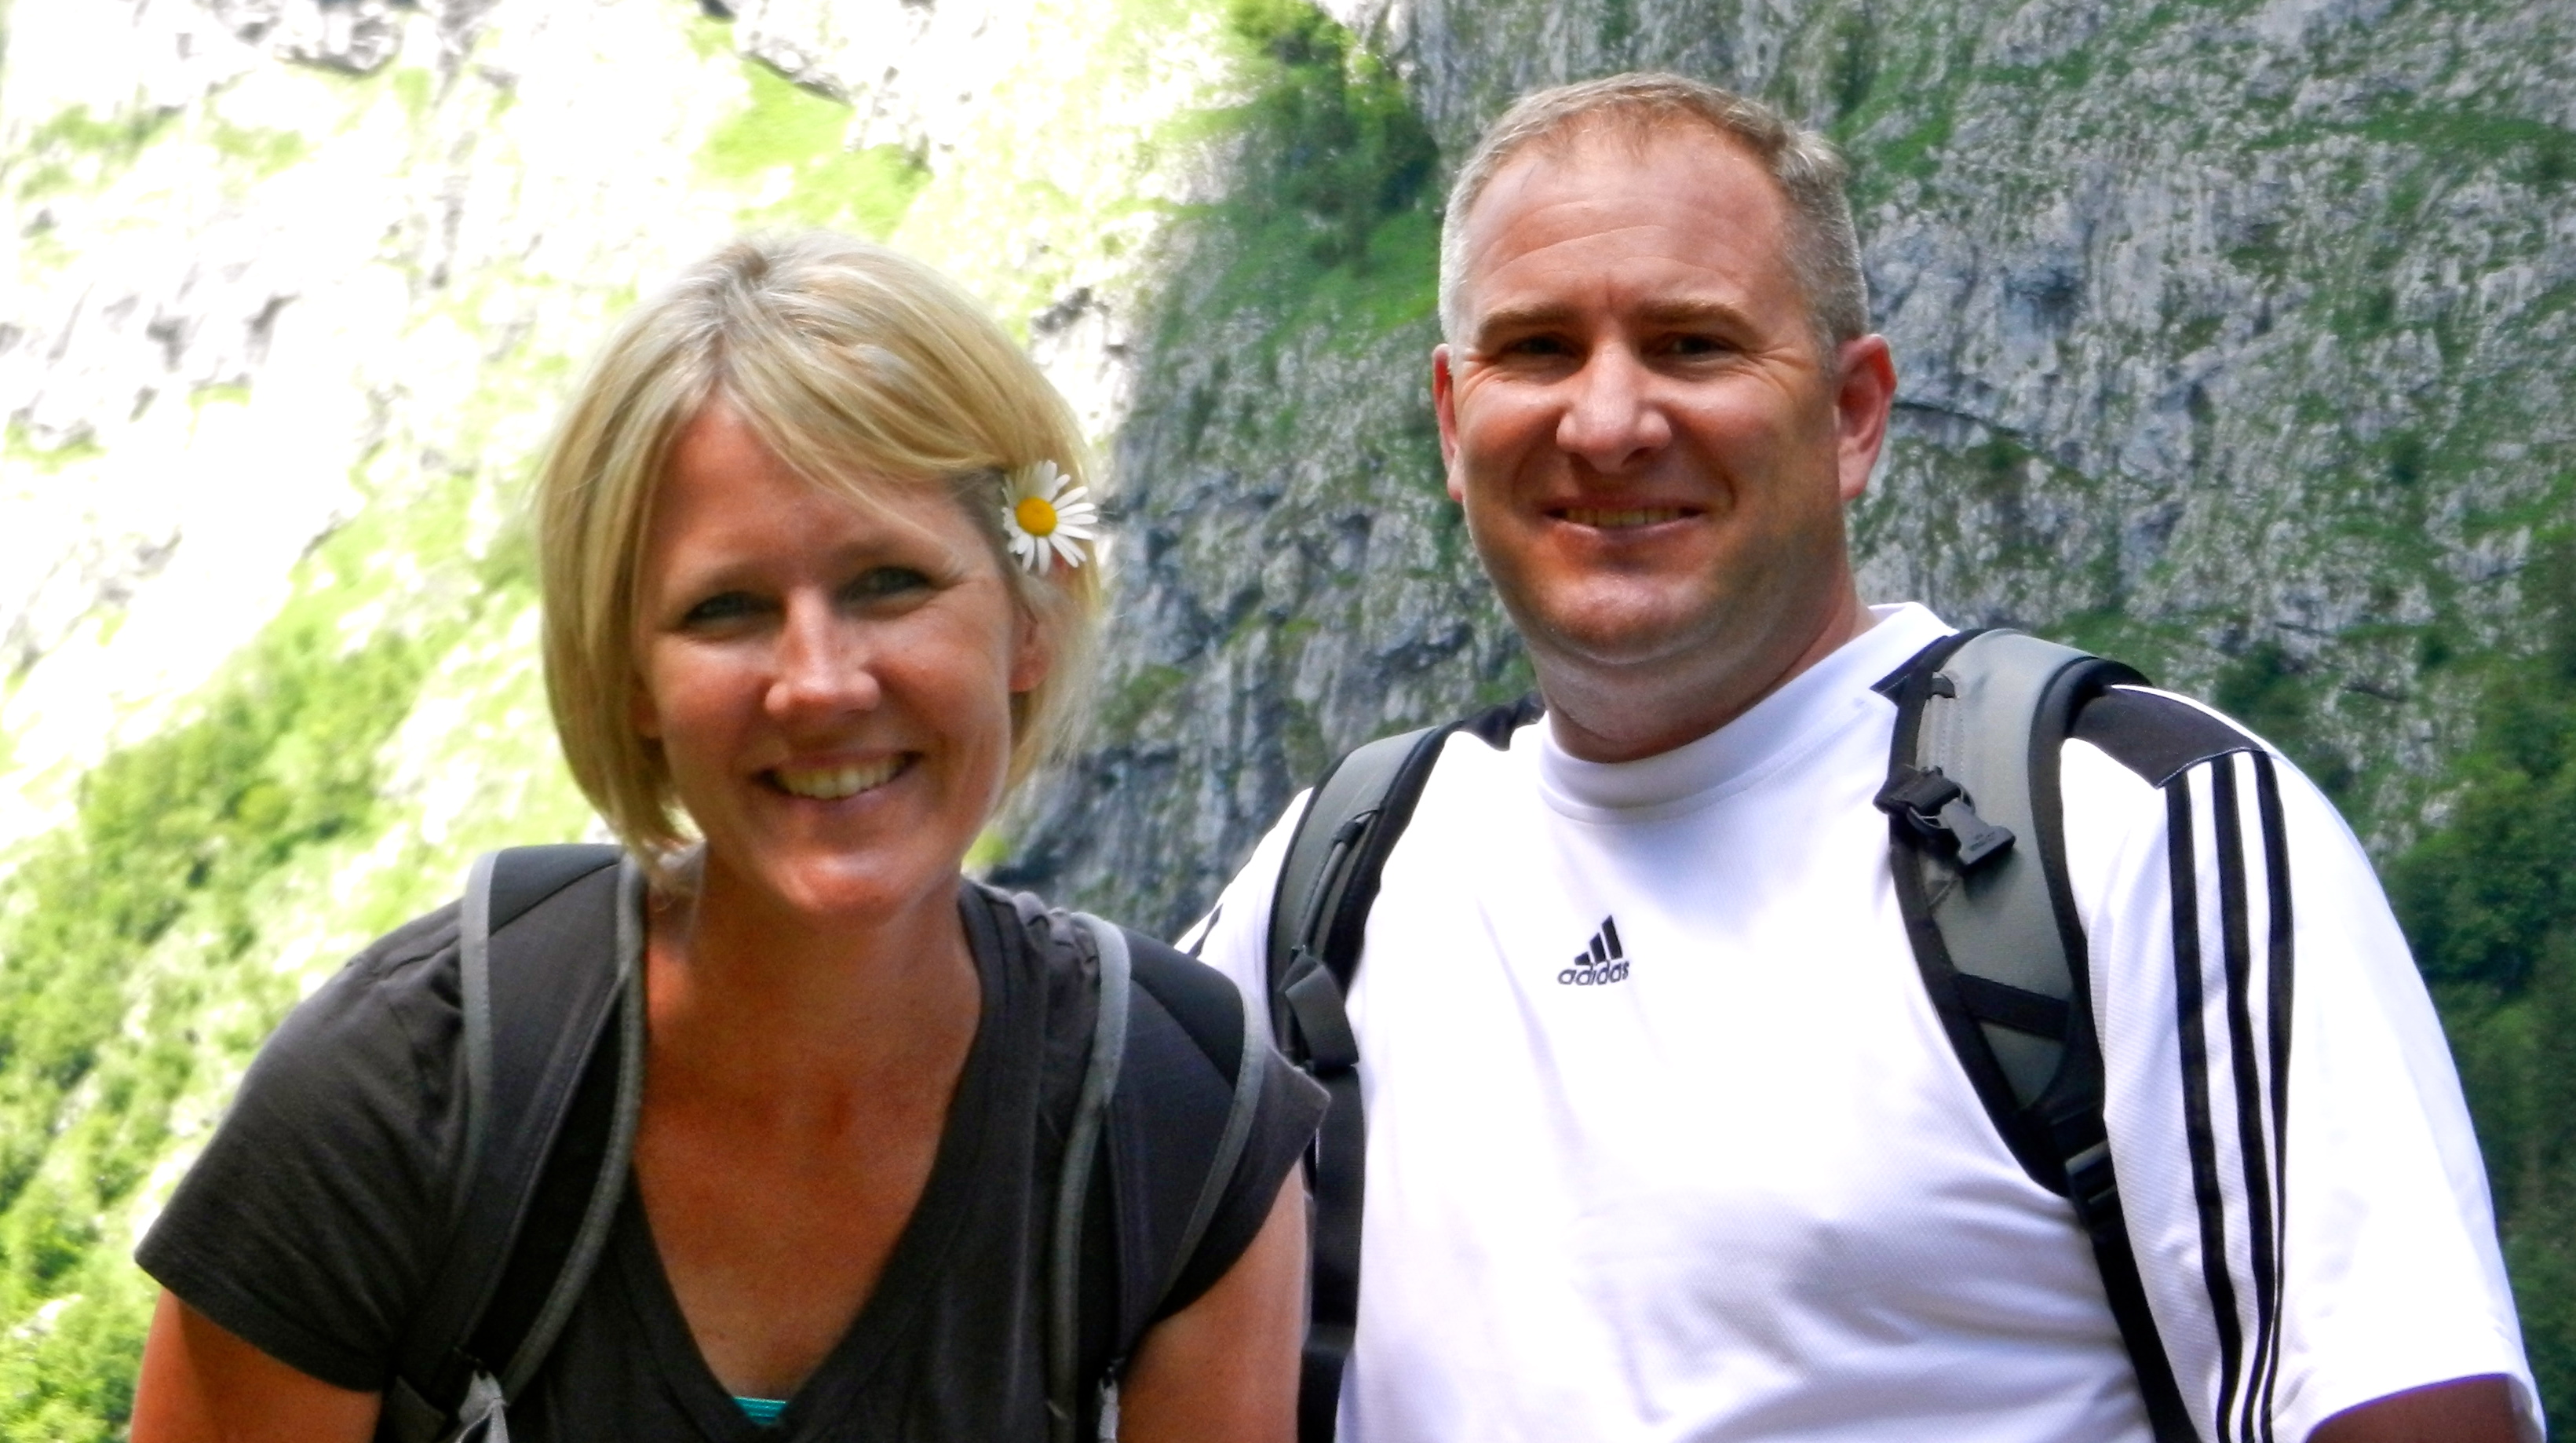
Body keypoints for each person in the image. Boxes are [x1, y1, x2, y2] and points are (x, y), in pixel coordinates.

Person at [1184, 73, 2542, 1442]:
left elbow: (2404, 1407)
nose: (1606, 422)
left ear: (1852, 414)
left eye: (1692, 345)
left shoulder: (2127, 826)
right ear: (1449, 417)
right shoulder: (1334, 878)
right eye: (1534, 349)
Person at [129, 234, 1323, 1441]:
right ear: (629, 681)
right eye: (727, 607)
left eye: (889, 581)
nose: (818, 681)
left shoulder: (1182, 1121)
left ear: (1028, 621)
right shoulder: (391, 1099)